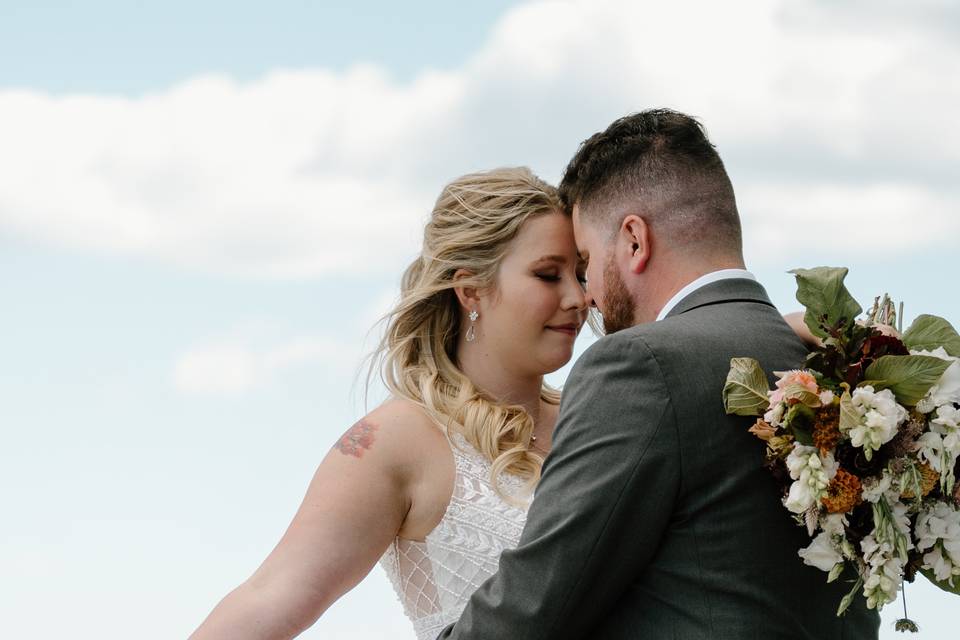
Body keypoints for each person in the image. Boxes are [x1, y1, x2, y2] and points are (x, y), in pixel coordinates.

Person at [437, 109, 881, 639]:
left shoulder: (638, 366)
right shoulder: (839, 364)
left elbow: (534, 609)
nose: (587, 300)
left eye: (585, 262)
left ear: (633, 241)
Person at [189, 167, 590, 639]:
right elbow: (269, 596)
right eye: (548, 275)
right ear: (470, 290)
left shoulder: (593, 420)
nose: (578, 297)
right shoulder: (399, 440)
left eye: (581, 274)